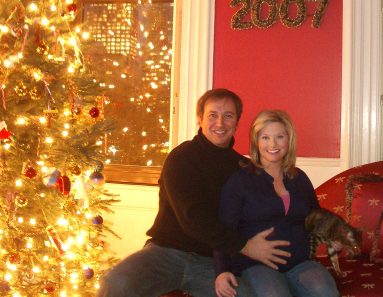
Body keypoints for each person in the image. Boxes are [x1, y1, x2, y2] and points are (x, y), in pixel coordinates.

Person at [96, 89, 291, 297]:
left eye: (228, 116)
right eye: (213, 115)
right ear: (200, 119)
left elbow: (260, 214)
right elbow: (192, 217)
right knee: (115, 283)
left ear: (236, 123)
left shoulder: (243, 168)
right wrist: (244, 246)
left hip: (212, 261)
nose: (220, 123)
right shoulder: (181, 157)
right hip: (166, 253)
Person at [214, 110, 340, 297]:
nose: (272, 144)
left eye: (279, 137)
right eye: (265, 137)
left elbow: (316, 220)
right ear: (256, 141)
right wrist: (222, 271)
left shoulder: (300, 178)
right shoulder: (240, 181)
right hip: (258, 265)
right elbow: (224, 229)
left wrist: (334, 238)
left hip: (301, 263)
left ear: (289, 140)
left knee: (325, 292)